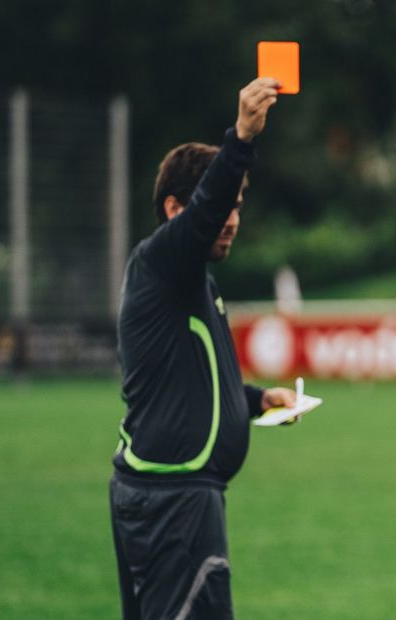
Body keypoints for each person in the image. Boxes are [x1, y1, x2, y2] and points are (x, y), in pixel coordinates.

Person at [109, 77, 296, 620]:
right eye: (221, 208)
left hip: (180, 496)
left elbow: (198, 381)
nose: (232, 218)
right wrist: (242, 137)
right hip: (172, 501)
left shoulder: (188, 281)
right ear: (175, 210)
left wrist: (258, 400)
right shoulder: (162, 260)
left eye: (238, 205)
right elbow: (207, 206)